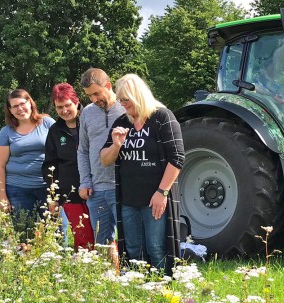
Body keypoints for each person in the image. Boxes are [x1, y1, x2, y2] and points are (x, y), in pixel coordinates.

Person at [100, 73, 184, 274]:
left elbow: (177, 158)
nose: (122, 104)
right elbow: (104, 159)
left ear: (138, 95)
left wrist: (161, 192)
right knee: (133, 250)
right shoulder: (122, 122)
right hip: (129, 199)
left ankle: (164, 290)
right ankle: (138, 290)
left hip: (155, 197)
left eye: (126, 99)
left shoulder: (162, 117)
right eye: (120, 100)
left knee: (156, 248)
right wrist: (117, 145)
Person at [0, 89, 55, 242]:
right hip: (18, 189)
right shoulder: (6, 132)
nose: (20, 109)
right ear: (10, 110)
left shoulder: (47, 123)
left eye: (22, 103)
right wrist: (2, 197)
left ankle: (57, 264)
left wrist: (58, 190)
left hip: (48, 188)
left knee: (55, 233)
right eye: (14, 106)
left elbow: (61, 154)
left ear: (30, 103)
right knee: (24, 235)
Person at [42, 83, 94, 251]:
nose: (64, 110)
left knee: (104, 235)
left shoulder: (92, 121)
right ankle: (86, 272)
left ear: (76, 102)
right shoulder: (55, 131)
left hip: (98, 188)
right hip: (70, 191)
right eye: (59, 107)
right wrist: (54, 196)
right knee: (82, 237)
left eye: (67, 105)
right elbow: (50, 165)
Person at [78, 68, 125, 253]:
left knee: (127, 240)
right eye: (90, 95)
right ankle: (108, 280)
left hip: (123, 186)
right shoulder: (87, 113)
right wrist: (85, 181)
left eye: (97, 93)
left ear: (108, 85)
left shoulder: (126, 107)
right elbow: (82, 150)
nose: (94, 99)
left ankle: (129, 278)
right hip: (96, 189)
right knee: (102, 245)